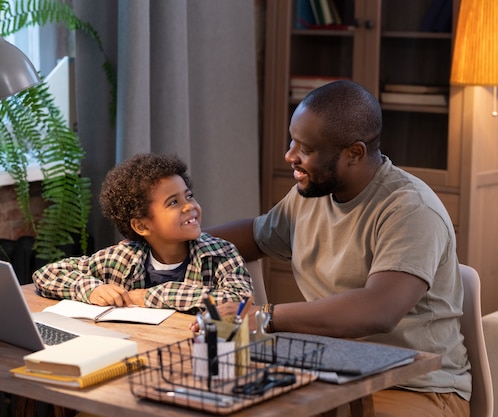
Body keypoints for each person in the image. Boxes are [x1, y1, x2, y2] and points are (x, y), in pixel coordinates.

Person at [205, 80, 470, 417]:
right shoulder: (313, 193)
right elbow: (256, 237)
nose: (290, 156)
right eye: (292, 140)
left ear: (354, 153)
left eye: (306, 148)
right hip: (334, 373)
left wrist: (263, 315)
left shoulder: (410, 209)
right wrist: (165, 244)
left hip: (418, 387)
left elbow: (379, 309)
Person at [32, 153, 253, 313]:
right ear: (142, 226)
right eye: (174, 202)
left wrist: (154, 295)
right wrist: (93, 289)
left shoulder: (220, 254)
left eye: (189, 196)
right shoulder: (122, 257)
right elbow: (47, 274)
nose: (189, 206)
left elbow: (241, 299)